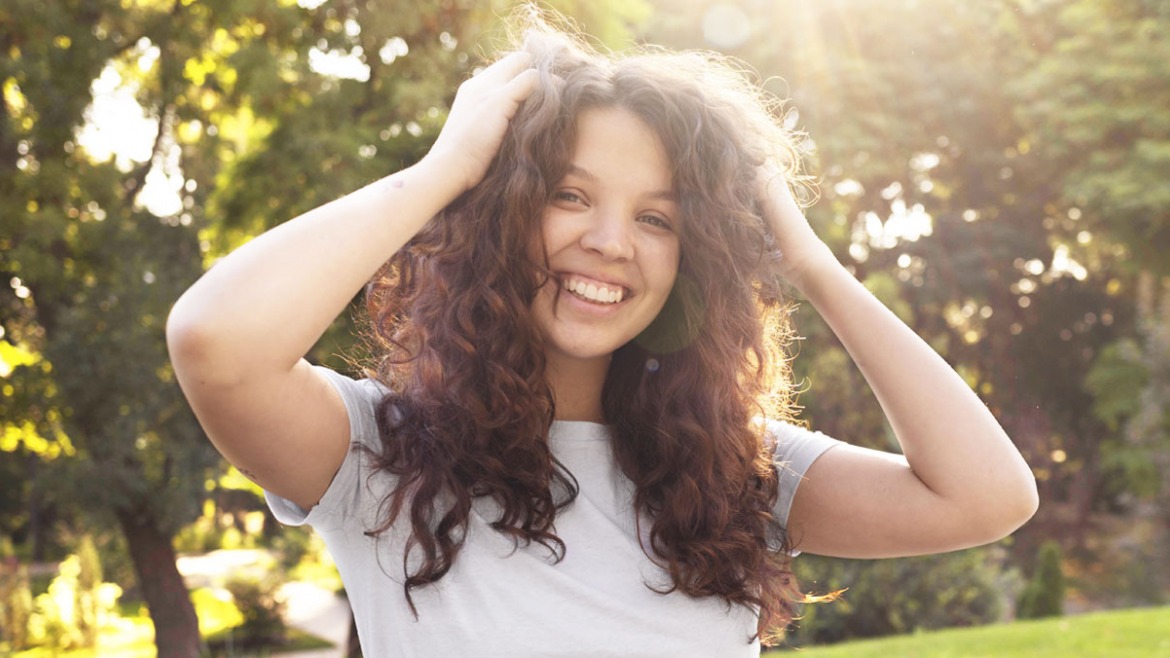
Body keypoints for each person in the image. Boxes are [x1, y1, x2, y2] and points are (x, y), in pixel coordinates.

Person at [166, 10, 1038, 657]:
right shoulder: (377, 456)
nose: (612, 244)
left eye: (657, 218)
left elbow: (988, 496)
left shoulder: (739, 477)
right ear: (498, 217)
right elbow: (216, 341)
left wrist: (808, 260)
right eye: (569, 196)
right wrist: (445, 170)